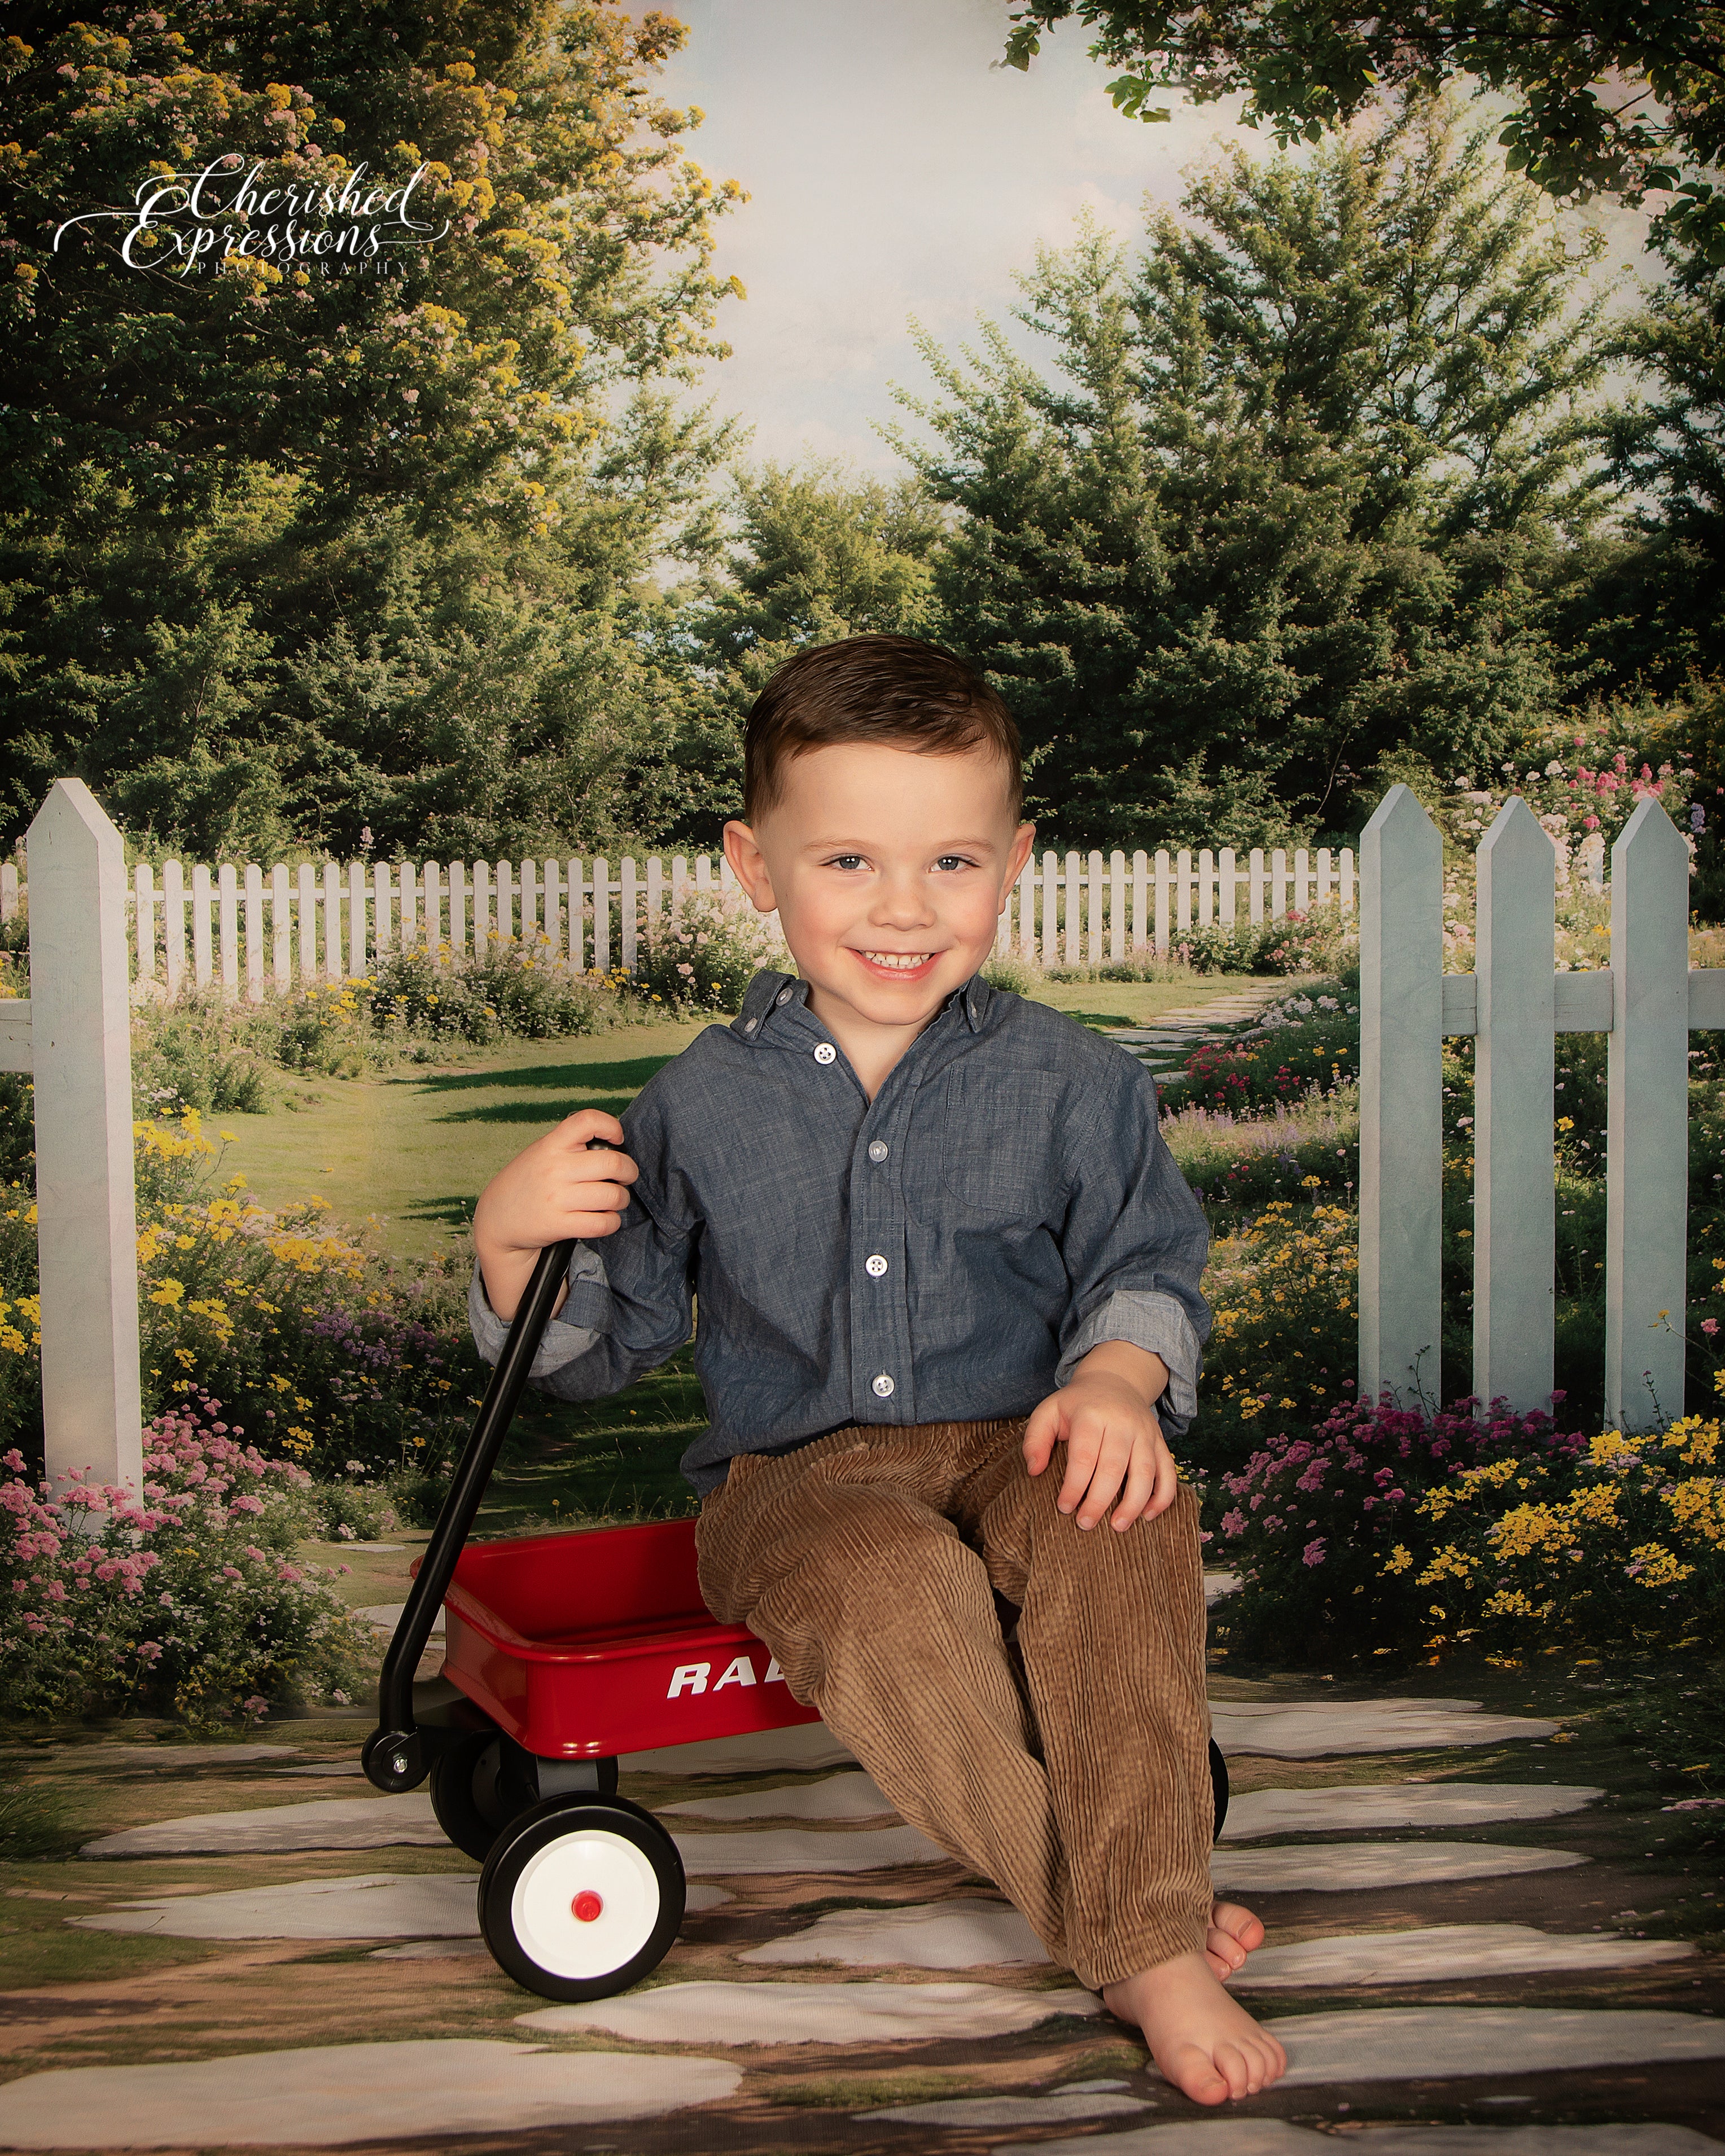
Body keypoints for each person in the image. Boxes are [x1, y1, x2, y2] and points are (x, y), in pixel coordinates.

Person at [469, 634, 1289, 2105]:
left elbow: (1144, 1262)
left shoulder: (1075, 1079)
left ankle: (1131, 1911)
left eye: (951, 863)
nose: (903, 909)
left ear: (1016, 859)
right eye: (847, 861)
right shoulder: (699, 1104)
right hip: (801, 1482)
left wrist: (1113, 1379)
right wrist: (510, 1245)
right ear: (753, 863)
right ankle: (1134, 1925)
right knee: (891, 1587)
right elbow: (603, 1354)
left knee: (1128, 1520)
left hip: (1026, 1437)